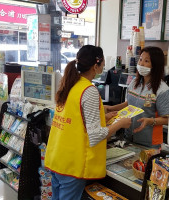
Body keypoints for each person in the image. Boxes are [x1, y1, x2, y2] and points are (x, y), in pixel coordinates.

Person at [45, 45, 131, 200]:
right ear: (95, 65)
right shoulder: (89, 90)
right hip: (73, 165)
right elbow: (96, 136)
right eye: (103, 62)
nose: (104, 66)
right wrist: (120, 124)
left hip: (57, 159)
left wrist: (104, 118)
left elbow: (75, 120)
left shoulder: (71, 84)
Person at [105, 46, 169, 147]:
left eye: (146, 61)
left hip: (149, 142)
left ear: (155, 64)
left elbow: (167, 119)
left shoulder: (162, 90)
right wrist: (111, 108)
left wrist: (149, 121)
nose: (141, 64)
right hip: (129, 137)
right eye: (140, 59)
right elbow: (129, 103)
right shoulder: (134, 83)